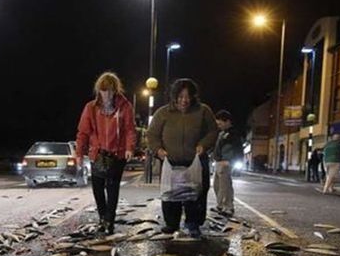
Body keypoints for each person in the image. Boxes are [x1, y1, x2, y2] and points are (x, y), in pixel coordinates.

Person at [148, 78, 218, 238]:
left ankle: (194, 223)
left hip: (196, 161)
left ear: (193, 96)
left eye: (187, 96)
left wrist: (204, 144)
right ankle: (171, 224)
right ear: (174, 97)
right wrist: (157, 149)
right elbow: (152, 134)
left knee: (196, 194)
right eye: (180, 97)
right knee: (171, 194)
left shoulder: (203, 111)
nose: (184, 100)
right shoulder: (163, 113)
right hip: (172, 161)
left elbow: (213, 131)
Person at [75, 72, 136, 235]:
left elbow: (130, 129)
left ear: (115, 90)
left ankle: (110, 220)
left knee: (112, 187)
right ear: (98, 91)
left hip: (118, 154)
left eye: (110, 90)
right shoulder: (91, 107)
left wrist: (130, 147)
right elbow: (83, 132)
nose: (107, 94)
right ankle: (102, 217)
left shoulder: (125, 106)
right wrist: (79, 153)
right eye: (103, 90)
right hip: (98, 153)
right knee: (97, 187)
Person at [212, 110, 239, 216]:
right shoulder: (222, 133)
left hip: (225, 163)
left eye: (220, 123)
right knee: (217, 186)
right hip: (219, 162)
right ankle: (221, 205)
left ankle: (228, 207)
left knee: (225, 186)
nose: (218, 126)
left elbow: (237, 149)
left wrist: (230, 161)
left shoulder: (233, 134)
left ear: (227, 121)